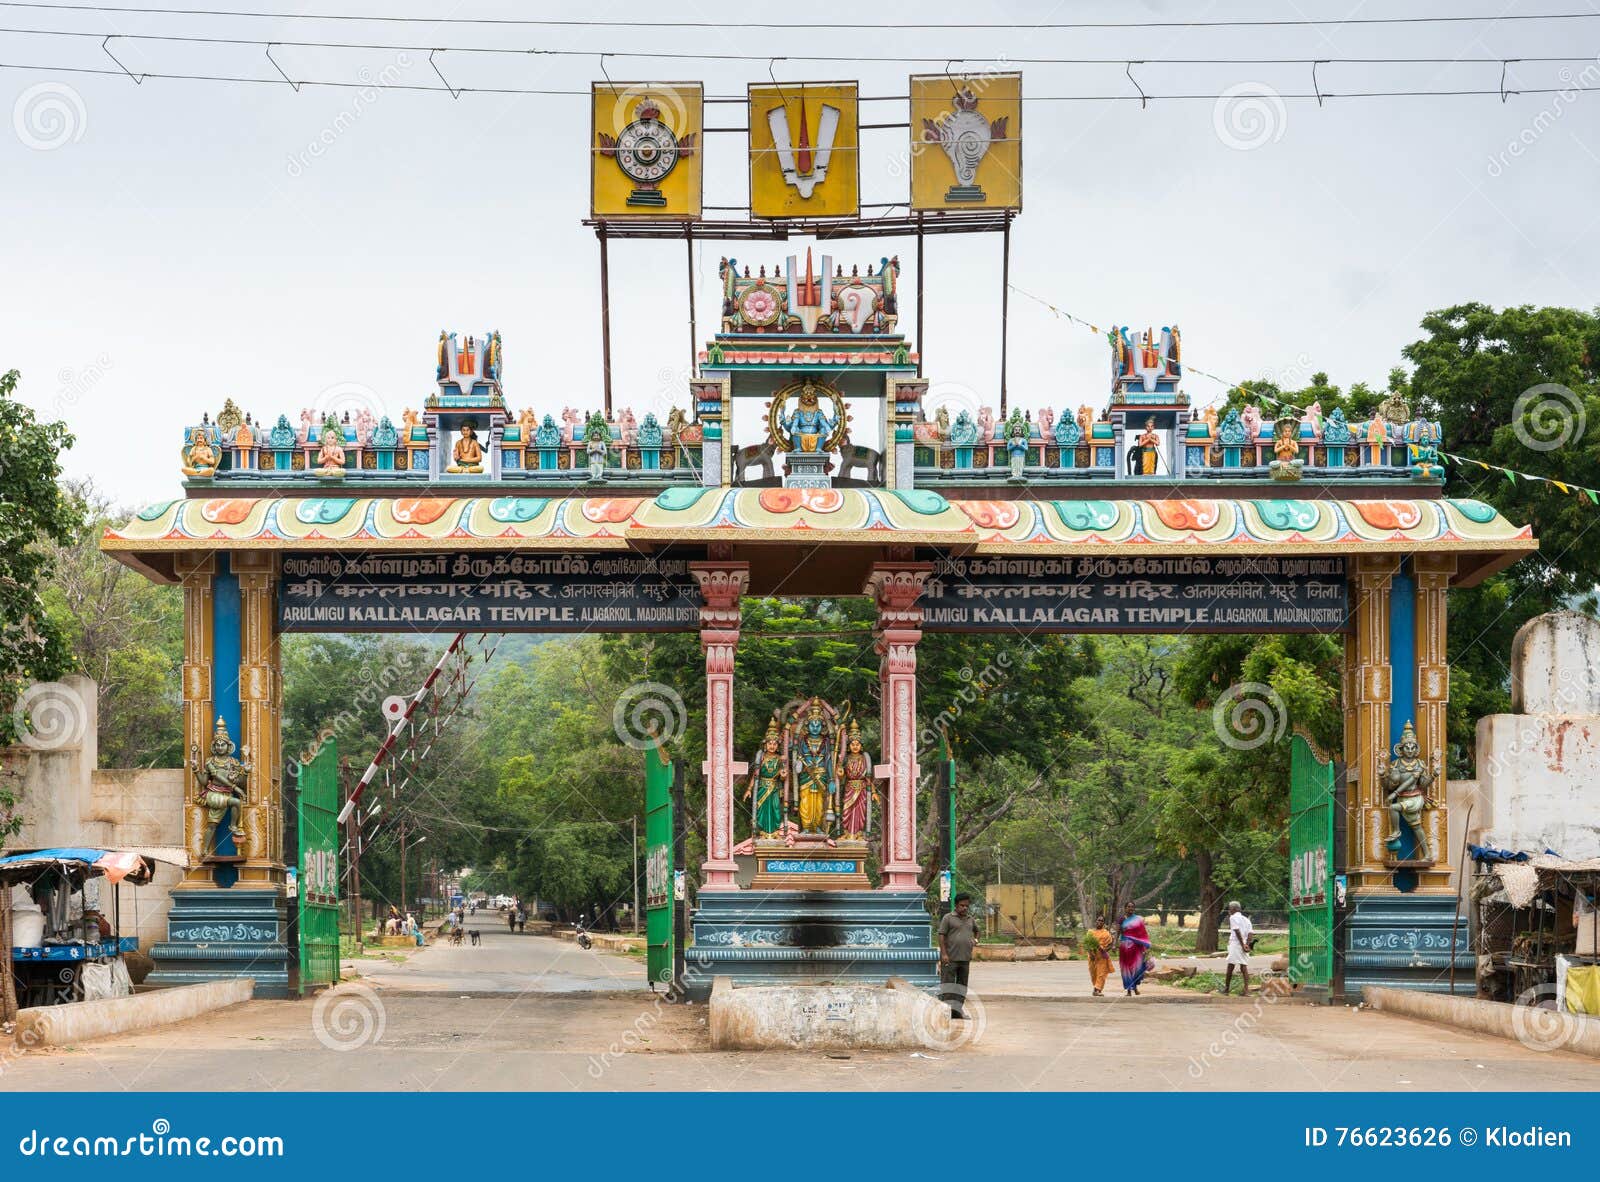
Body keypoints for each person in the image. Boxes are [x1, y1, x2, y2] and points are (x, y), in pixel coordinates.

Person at [937, 893, 980, 1019]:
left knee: (962, 987)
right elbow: (941, 935)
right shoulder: (948, 918)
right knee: (948, 986)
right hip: (950, 959)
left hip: (965, 959)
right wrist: (944, 953)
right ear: (956, 905)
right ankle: (945, 1013)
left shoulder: (970, 919)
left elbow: (977, 931)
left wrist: (976, 940)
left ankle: (957, 1012)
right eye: (962, 905)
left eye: (967, 906)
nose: (965, 908)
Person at [1118, 905, 1152, 996]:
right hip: (1124, 946)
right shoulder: (1121, 919)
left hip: (1136, 947)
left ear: (1134, 909)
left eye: (1132, 907)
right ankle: (1129, 990)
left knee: (1137, 967)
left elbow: (1142, 933)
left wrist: (1145, 945)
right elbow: (1118, 931)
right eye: (1128, 907)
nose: (1130, 908)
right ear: (1125, 908)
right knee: (1126, 968)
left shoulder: (1138, 920)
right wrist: (1114, 944)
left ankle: (1135, 987)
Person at [1223, 900, 1254, 997]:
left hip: (1236, 944)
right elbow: (1250, 933)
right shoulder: (1246, 919)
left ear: (1233, 909)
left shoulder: (1233, 917)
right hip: (1244, 944)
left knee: (1230, 966)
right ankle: (1246, 990)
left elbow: (1236, 931)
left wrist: (1242, 944)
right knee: (1243, 967)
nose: (1229, 910)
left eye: (1229, 908)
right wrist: (1247, 944)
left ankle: (1226, 989)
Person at [1084, 914, 1115, 997]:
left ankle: (1096, 990)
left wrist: (1104, 950)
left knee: (1101, 974)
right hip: (1092, 957)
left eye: (1102, 921)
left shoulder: (1106, 933)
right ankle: (1097, 988)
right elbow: (1087, 945)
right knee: (1093, 974)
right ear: (1095, 921)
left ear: (1104, 923)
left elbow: (1110, 944)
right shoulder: (1090, 932)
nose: (1100, 922)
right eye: (1098, 920)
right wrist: (1091, 954)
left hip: (1102, 956)